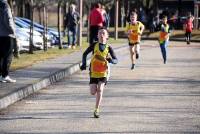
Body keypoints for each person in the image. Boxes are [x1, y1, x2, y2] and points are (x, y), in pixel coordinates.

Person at [80, 27, 118, 118]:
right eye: (100, 33)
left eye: (103, 33)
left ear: (107, 36)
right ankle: (97, 96)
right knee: (93, 92)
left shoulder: (109, 48)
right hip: (93, 71)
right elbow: (85, 54)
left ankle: (96, 109)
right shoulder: (94, 45)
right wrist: (84, 64)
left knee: (100, 89)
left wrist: (111, 60)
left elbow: (116, 60)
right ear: (97, 35)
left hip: (104, 72)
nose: (101, 35)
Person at [0, 0, 16, 83]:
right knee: (7, 56)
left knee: (1, 56)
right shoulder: (5, 5)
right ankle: (5, 75)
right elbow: (8, 20)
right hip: (7, 35)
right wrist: (13, 31)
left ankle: (1, 75)